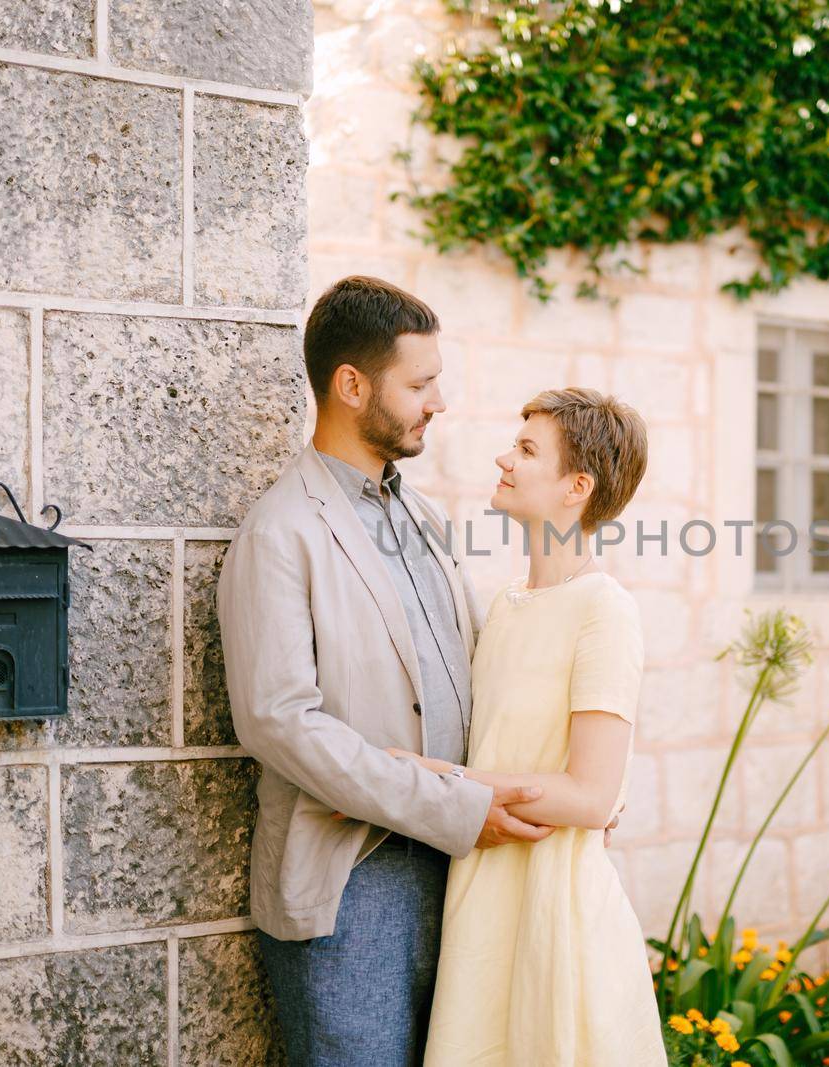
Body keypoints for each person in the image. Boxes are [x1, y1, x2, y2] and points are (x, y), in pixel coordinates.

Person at [218, 276, 585, 1066]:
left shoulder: (422, 517)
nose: (439, 401)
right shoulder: (280, 530)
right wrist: (452, 807)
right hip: (355, 884)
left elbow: (482, 666)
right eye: (420, 383)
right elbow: (279, 720)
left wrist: (570, 782)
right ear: (351, 386)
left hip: (457, 871)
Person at [400, 387, 670, 1066]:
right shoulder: (505, 605)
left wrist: (438, 779)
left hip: (556, 909)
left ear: (577, 486)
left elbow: (591, 796)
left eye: (526, 449)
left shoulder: (604, 608)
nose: (504, 457)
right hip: (485, 896)